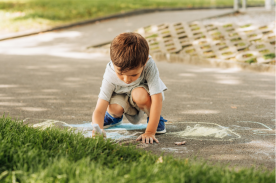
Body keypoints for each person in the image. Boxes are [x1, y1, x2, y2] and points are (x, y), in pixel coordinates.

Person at [91, 32, 167, 144]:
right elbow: (99, 108)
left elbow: (157, 99)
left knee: (139, 94)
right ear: (112, 61)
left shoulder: (149, 65)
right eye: (120, 73)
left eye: (133, 75)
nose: (126, 79)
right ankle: (114, 117)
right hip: (122, 96)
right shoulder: (110, 72)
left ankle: (154, 119)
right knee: (113, 107)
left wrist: (150, 131)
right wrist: (97, 128)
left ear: (145, 62)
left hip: (142, 96)